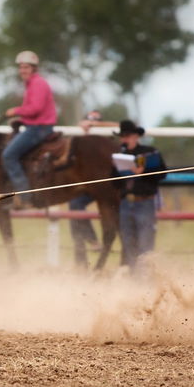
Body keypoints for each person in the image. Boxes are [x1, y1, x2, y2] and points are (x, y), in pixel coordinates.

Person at [2, 50, 57, 204]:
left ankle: (24, 197)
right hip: (36, 126)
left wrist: (15, 111)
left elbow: (35, 109)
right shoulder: (32, 83)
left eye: (26, 67)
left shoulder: (37, 83)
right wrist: (21, 117)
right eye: (20, 67)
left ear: (33, 68)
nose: (22, 70)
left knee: (9, 155)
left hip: (39, 128)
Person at [113, 119, 167, 270]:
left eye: (127, 136)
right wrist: (119, 172)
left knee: (145, 244)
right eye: (122, 136)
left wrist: (145, 172)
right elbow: (113, 182)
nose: (124, 139)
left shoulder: (150, 152)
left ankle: (146, 278)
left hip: (145, 202)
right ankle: (134, 279)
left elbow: (162, 174)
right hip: (125, 203)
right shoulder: (118, 155)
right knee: (128, 243)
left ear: (136, 136)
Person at [67, 109, 105, 265]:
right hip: (87, 187)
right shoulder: (78, 142)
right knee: (74, 206)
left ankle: (90, 243)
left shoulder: (107, 140)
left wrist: (96, 125)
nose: (92, 124)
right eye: (89, 121)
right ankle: (82, 255)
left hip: (104, 186)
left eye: (96, 121)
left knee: (75, 206)